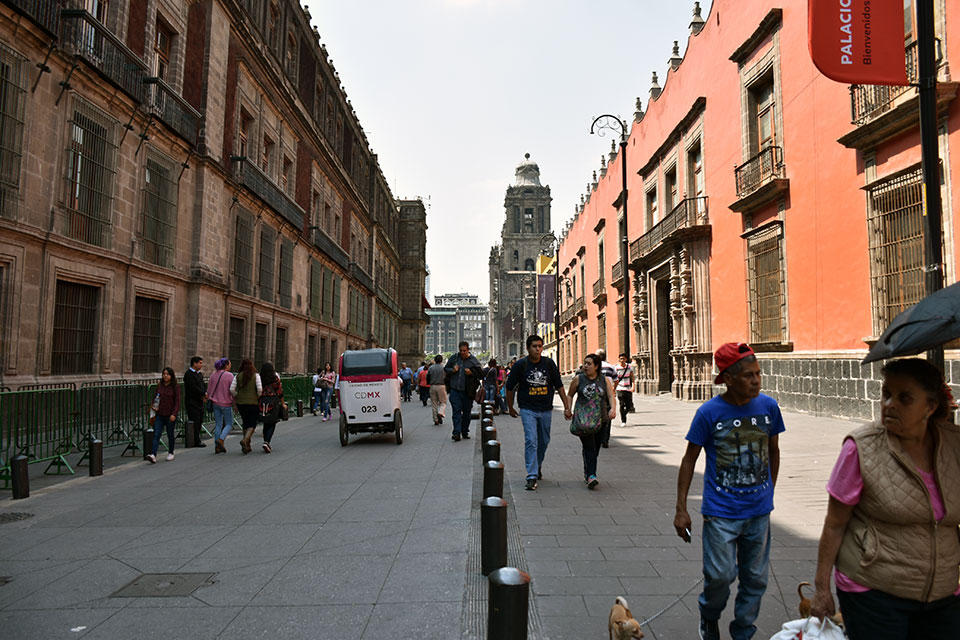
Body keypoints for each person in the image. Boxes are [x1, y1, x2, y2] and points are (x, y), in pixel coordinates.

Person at [809, 358, 960, 639]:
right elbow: (835, 524)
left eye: (904, 398)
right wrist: (821, 589)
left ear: (930, 406)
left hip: (942, 592)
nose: (890, 404)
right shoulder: (861, 448)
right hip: (874, 589)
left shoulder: (954, 444)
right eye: (886, 394)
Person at [673, 342, 784, 640]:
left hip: (758, 512)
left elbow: (773, 450)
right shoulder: (709, 412)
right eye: (749, 375)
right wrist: (681, 509)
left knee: (756, 579)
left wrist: (769, 492)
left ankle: (743, 631)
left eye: (758, 374)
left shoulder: (769, 407)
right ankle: (709, 614)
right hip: (721, 513)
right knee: (720, 576)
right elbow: (688, 460)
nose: (757, 381)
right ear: (729, 378)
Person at [505, 334, 572, 490]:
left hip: (546, 409)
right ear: (528, 348)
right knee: (531, 440)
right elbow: (510, 387)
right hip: (528, 409)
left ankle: (537, 464)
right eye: (534, 346)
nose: (537, 349)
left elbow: (559, 385)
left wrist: (567, 407)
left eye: (540, 346)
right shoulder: (520, 365)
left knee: (544, 441)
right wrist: (510, 407)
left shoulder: (548, 364)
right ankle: (531, 475)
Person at [567, 353, 615, 489]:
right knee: (590, 447)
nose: (585, 366)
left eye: (589, 364)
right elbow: (570, 394)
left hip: (602, 419)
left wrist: (613, 409)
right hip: (584, 420)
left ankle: (588, 471)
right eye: (584, 363)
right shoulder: (578, 379)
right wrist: (568, 409)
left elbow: (611, 396)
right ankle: (591, 475)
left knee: (596, 448)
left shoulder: (604, 380)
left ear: (596, 366)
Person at [444, 341, 483, 441]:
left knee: (466, 413)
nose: (462, 353)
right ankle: (456, 432)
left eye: (464, 351)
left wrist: (471, 372)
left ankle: (465, 430)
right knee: (456, 411)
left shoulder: (473, 360)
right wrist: (452, 370)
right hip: (455, 390)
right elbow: (446, 369)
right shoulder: (454, 358)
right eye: (461, 351)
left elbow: (481, 374)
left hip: (467, 392)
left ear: (468, 350)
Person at [147, 367, 180, 463]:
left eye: (168, 374)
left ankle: (171, 452)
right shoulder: (160, 385)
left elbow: (177, 402)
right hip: (160, 414)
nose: (165, 376)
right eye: (164, 374)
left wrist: (174, 414)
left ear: (171, 376)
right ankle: (153, 454)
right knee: (156, 434)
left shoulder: (175, 387)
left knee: (170, 434)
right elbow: (155, 397)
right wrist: (154, 405)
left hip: (170, 414)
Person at [231, 358, 262, 454]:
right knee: (252, 423)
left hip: (241, 403)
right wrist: (256, 397)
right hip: (253, 403)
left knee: (245, 422)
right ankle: (246, 439)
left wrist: (238, 395)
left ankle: (247, 445)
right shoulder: (256, 375)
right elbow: (260, 389)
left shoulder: (238, 376)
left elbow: (231, 389)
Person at [207, 358, 235, 454]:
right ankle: (221, 439)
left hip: (215, 403)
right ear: (226, 365)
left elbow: (209, 389)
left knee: (218, 424)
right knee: (229, 423)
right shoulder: (229, 375)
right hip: (226, 403)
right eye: (230, 364)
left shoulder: (213, 375)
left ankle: (217, 446)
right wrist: (235, 403)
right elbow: (232, 390)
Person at [258, 361, 285, 453]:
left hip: (262, 401)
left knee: (266, 421)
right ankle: (267, 441)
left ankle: (266, 440)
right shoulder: (275, 379)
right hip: (273, 401)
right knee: (272, 422)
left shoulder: (260, 378)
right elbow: (280, 392)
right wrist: (283, 403)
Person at [182, 356, 208, 446]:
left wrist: (205, 393)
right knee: (195, 421)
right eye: (200, 363)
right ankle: (195, 440)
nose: (201, 365)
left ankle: (196, 438)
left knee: (199, 420)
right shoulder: (189, 374)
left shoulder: (199, 374)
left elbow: (202, 385)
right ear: (194, 363)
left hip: (199, 401)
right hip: (192, 401)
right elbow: (193, 388)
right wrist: (202, 394)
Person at [595, 349, 618, 448]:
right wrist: (613, 389)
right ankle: (605, 439)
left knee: (597, 416)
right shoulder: (611, 367)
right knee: (607, 417)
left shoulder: (594, 367)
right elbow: (616, 380)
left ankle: (598, 437)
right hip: (608, 394)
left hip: (596, 395)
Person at [615, 352, 635, 428]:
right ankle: (623, 420)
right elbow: (615, 379)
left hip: (627, 388)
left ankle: (624, 414)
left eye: (623, 358)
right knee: (622, 403)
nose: (622, 360)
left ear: (626, 359)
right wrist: (613, 389)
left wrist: (633, 386)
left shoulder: (629, 367)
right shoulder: (616, 368)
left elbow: (632, 377)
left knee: (629, 405)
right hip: (619, 388)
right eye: (620, 359)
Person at [427, 354, 447, 425]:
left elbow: (428, 377)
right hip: (441, 385)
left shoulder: (431, 368)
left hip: (433, 386)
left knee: (434, 403)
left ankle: (435, 420)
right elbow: (446, 378)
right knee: (443, 402)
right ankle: (441, 412)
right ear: (441, 360)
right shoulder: (443, 368)